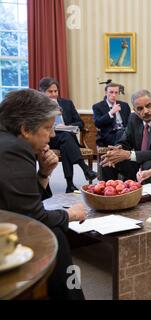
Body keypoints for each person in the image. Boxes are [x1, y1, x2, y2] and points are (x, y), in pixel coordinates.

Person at [0, 89, 87, 300]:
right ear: (25, 129)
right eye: (47, 127)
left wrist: (44, 173)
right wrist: (70, 215)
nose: (53, 135)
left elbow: (18, 202)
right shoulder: (13, 149)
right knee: (55, 235)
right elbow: (33, 216)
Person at [100, 89, 151, 181]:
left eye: (148, 106)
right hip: (137, 160)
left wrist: (128, 154)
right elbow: (125, 141)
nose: (146, 111)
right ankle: (111, 192)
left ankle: (146, 195)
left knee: (148, 164)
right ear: (135, 110)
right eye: (140, 108)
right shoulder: (133, 118)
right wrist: (116, 152)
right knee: (109, 161)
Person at [39, 77, 97, 193]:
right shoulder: (39, 106)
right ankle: (85, 169)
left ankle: (70, 185)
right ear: (42, 92)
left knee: (66, 142)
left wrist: (68, 126)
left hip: (66, 138)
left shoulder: (66, 103)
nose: (54, 94)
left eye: (56, 91)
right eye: (50, 92)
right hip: (50, 139)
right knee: (66, 138)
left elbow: (80, 123)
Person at [92, 82, 131, 147]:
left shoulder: (124, 105)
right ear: (106, 93)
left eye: (116, 92)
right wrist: (111, 112)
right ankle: (120, 154)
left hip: (124, 133)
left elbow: (129, 122)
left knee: (125, 134)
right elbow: (97, 123)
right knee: (121, 134)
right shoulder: (97, 106)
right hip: (108, 136)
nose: (113, 95)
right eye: (111, 92)